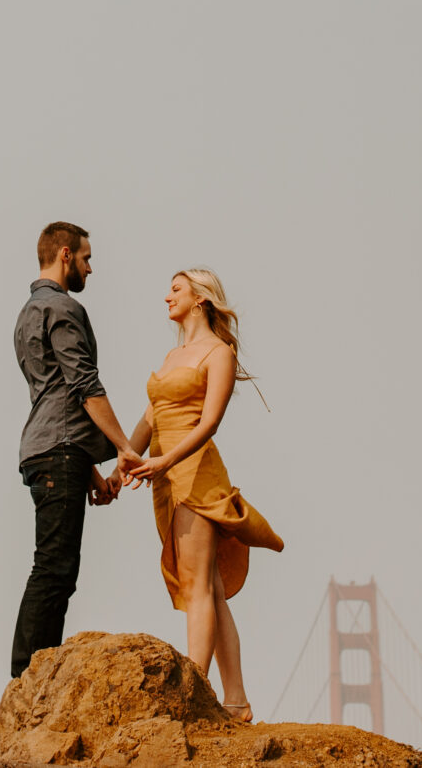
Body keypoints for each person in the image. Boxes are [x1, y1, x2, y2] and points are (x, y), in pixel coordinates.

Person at [121, 267, 282, 721]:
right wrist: (123, 463)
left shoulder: (218, 352)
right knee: (208, 588)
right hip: (163, 476)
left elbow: (209, 422)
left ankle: (196, 691)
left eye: (175, 289)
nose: (166, 297)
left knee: (197, 590)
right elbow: (151, 417)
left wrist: (163, 462)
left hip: (193, 474)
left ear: (200, 299)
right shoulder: (175, 355)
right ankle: (236, 700)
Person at [11, 221, 142, 678]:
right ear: (66, 255)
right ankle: (27, 681)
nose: (91, 267)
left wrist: (90, 470)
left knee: (54, 567)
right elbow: (83, 386)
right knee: (54, 569)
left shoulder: (28, 312)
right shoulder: (63, 308)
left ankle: (29, 680)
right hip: (59, 451)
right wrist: (125, 448)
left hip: (44, 448)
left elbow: (53, 396)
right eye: (87, 257)